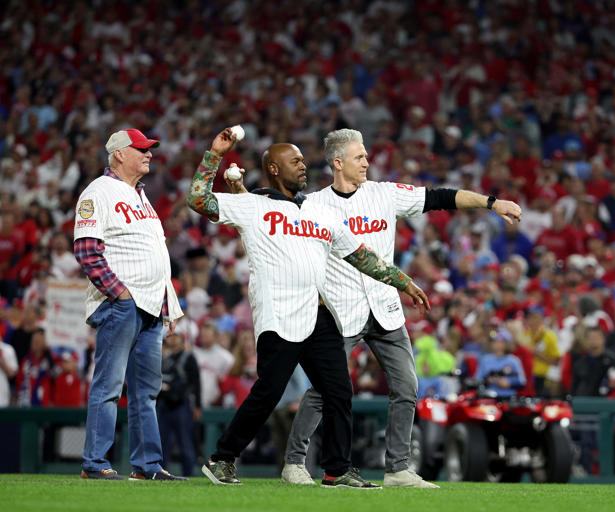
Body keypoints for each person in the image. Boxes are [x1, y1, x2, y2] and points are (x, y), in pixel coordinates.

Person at [229, 128, 519, 488]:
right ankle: (294, 462)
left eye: (366, 156)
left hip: (385, 308)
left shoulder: (385, 194)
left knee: (407, 386)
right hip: (341, 310)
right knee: (325, 391)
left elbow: (440, 197)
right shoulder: (313, 205)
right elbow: (269, 207)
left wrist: (492, 203)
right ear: (338, 162)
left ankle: (397, 468)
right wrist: (240, 193)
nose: (367, 161)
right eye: (359, 156)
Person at [187, 128, 429, 489]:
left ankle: (336, 469)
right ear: (272, 168)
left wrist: (403, 282)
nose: (303, 166)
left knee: (338, 390)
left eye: (303, 160)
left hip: (320, 314)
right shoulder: (253, 206)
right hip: (279, 315)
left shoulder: (318, 211)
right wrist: (214, 154)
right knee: (269, 392)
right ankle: (222, 458)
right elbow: (198, 200)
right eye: (294, 161)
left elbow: (362, 256)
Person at [73, 128, 185, 480]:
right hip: (122, 304)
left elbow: (155, 256)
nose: (149, 154)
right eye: (142, 149)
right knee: (108, 387)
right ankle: (95, 463)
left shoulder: (141, 196)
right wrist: (120, 294)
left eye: (150, 149)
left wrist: (168, 303)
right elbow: (87, 250)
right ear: (119, 153)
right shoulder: (99, 191)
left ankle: (147, 466)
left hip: (151, 306)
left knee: (147, 393)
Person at [157, 331, 201, 477]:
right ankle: (161, 473)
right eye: (170, 336)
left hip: (181, 404)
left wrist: (198, 405)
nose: (173, 339)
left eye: (176, 336)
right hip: (164, 404)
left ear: (183, 340)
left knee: (185, 443)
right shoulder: (164, 357)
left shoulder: (188, 357)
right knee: (162, 444)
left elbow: (196, 382)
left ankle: (189, 475)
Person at [476, 328, 526, 397]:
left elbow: (522, 382)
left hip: (508, 398)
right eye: (494, 342)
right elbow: (477, 380)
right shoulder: (485, 359)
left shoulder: (513, 360)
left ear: (506, 344)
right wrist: (487, 381)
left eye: (501, 342)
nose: (497, 345)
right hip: (488, 397)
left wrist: (509, 383)